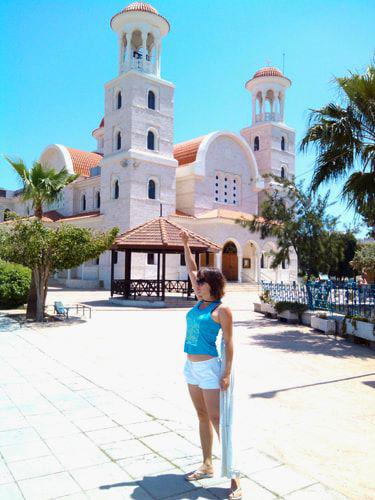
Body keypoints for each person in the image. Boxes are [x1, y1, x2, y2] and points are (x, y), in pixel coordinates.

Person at [180, 230, 242, 500]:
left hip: (209, 369)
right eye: (197, 282)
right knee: (202, 416)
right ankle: (207, 464)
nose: (196, 283)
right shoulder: (199, 303)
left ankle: (235, 477)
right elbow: (192, 269)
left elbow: (229, 344)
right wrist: (185, 243)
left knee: (219, 420)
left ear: (212, 285)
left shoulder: (221, 310)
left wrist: (226, 373)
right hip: (190, 367)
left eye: (201, 282)